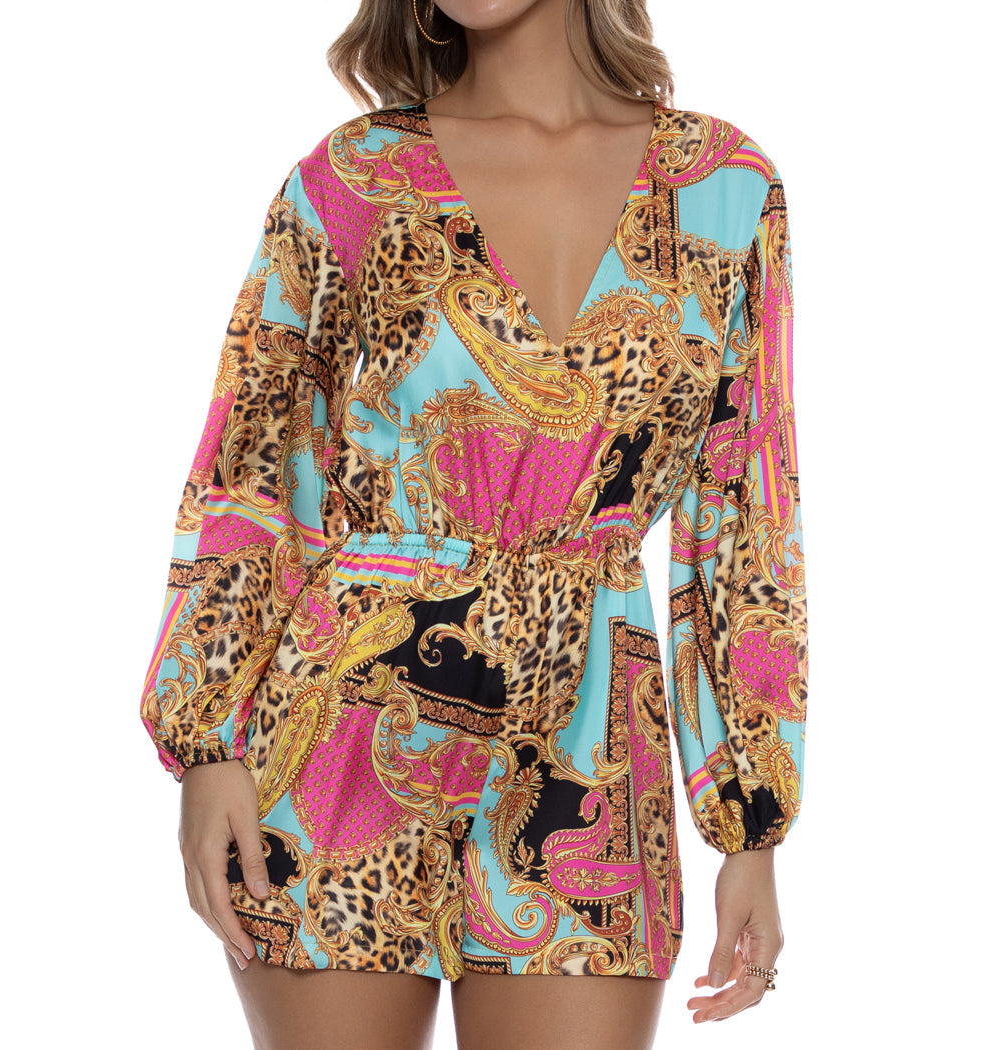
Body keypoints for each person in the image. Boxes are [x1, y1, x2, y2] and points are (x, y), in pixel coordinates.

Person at [138, 1, 807, 1046]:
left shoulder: (722, 186)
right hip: (345, 722)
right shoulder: (351, 178)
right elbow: (255, 461)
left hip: (592, 746)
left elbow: (744, 509)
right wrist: (207, 740)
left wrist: (748, 823)